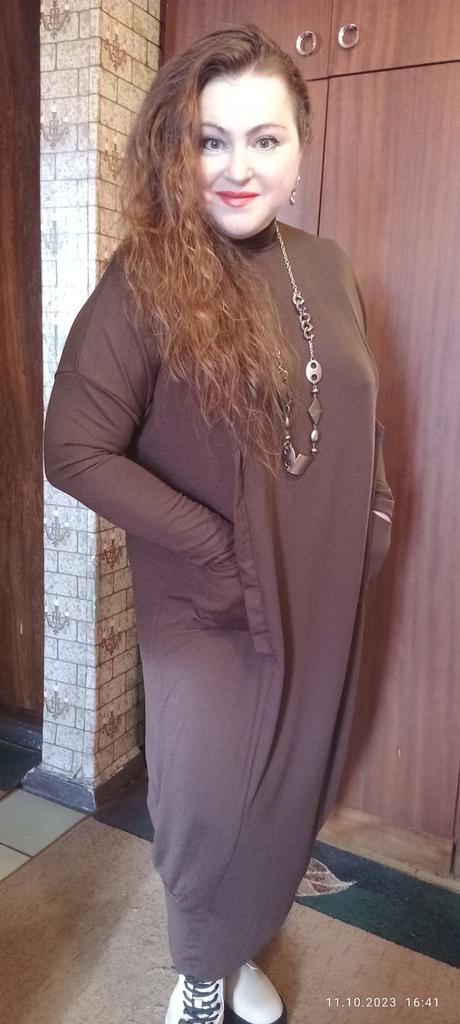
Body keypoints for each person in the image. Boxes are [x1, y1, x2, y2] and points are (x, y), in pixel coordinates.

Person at [43, 21, 395, 1024]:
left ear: (299, 150)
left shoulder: (327, 266)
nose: (239, 167)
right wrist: (218, 547)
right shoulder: (146, 279)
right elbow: (74, 448)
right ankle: (201, 967)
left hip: (315, 585)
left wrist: (374, 510)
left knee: (287, 791)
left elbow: (356, 405)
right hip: (205, 604)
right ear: (179, 149)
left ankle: (236, 945)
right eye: (211, 140)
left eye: (265, 139)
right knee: (205, 802)